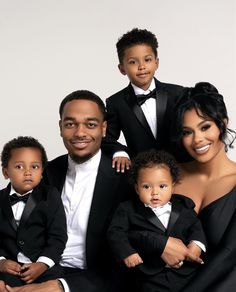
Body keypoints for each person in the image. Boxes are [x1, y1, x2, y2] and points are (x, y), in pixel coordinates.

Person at [0, 90, 133, 292]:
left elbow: (128, 260)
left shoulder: (127, 179)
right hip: (33, 271)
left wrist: (60, 286)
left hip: (91, 282)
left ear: (104, 128)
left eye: (90, 124)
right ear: (60, 127)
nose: (80, 133)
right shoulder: (44, 173)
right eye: (70, 124)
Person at [107, 149, 206, 292]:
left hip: (184, 273)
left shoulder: (183, 206)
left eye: (162, 186)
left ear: (173, 187)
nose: (155, 192)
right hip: (150, 274)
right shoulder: (128, 209)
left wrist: (197, 244)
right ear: (137, 188)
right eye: (146, 186)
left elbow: (195, 225)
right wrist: (127, 252)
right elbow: (115, 232)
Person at [169, 81, 236, 291]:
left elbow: (229, 254)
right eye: (187, 132)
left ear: (223, 124)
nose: (197, 139)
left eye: (205, 127)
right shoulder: (167, 175)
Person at [102, 28, 185, 172]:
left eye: (147, 60)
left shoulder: (177, 93)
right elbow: (105, 137)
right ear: (122, 68)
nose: (142, 67)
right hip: (142, 174)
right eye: (133, 62)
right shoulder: (116, 102)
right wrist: (120, 152)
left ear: (156, 62)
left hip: (181, 168)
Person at [0, 136, 67, 287]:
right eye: (19, 167)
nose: (28, 172)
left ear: (42, 171)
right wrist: (2, 262)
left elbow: (58, 236)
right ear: (5, 172)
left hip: (43, 267)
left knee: (57, 284)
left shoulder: (50, 196)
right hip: (10, 268)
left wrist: (43, 264)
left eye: (34, 167)